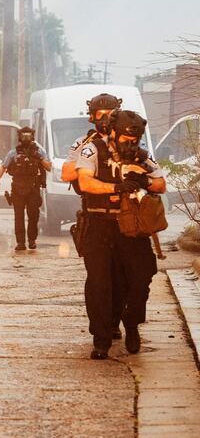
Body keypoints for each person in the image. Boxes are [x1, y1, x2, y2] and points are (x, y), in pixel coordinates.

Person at [76, 110, 166, 359]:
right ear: (113, 131)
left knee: (143, 275)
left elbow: (161, 184)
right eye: (126, 139)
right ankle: (101, 340)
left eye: (135, 139)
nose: (131, 143)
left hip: (131, 227)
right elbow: (85, 182)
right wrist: (117, 186)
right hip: (99, 224)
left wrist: (143, 182)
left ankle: (132, 321)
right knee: (99, 283)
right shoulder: (92, 150)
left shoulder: (142, 154)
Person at [62, 93, 126, 340]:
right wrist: (89, 162)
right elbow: (67, 174)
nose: (101, 119)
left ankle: (114, 321)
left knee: (122, 278)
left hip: (126, 218)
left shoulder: (129, 139)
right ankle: (100, 329)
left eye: (106, 114)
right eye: (97, 114)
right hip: (95, 216)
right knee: (98, 278)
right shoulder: (83, 142)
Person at [0, 127, 52, 250]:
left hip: (33, 188)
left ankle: (32, 240)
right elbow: (3, 167)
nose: (26, 138)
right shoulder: (13, 153)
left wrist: (38, 157)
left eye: (28, 135)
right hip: (18, 188)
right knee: (18, 216)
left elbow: (49, 167)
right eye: (23, 135)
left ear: (33, 136)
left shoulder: (40, 151)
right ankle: (20, 243)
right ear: (19, 137)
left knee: (33, 215)